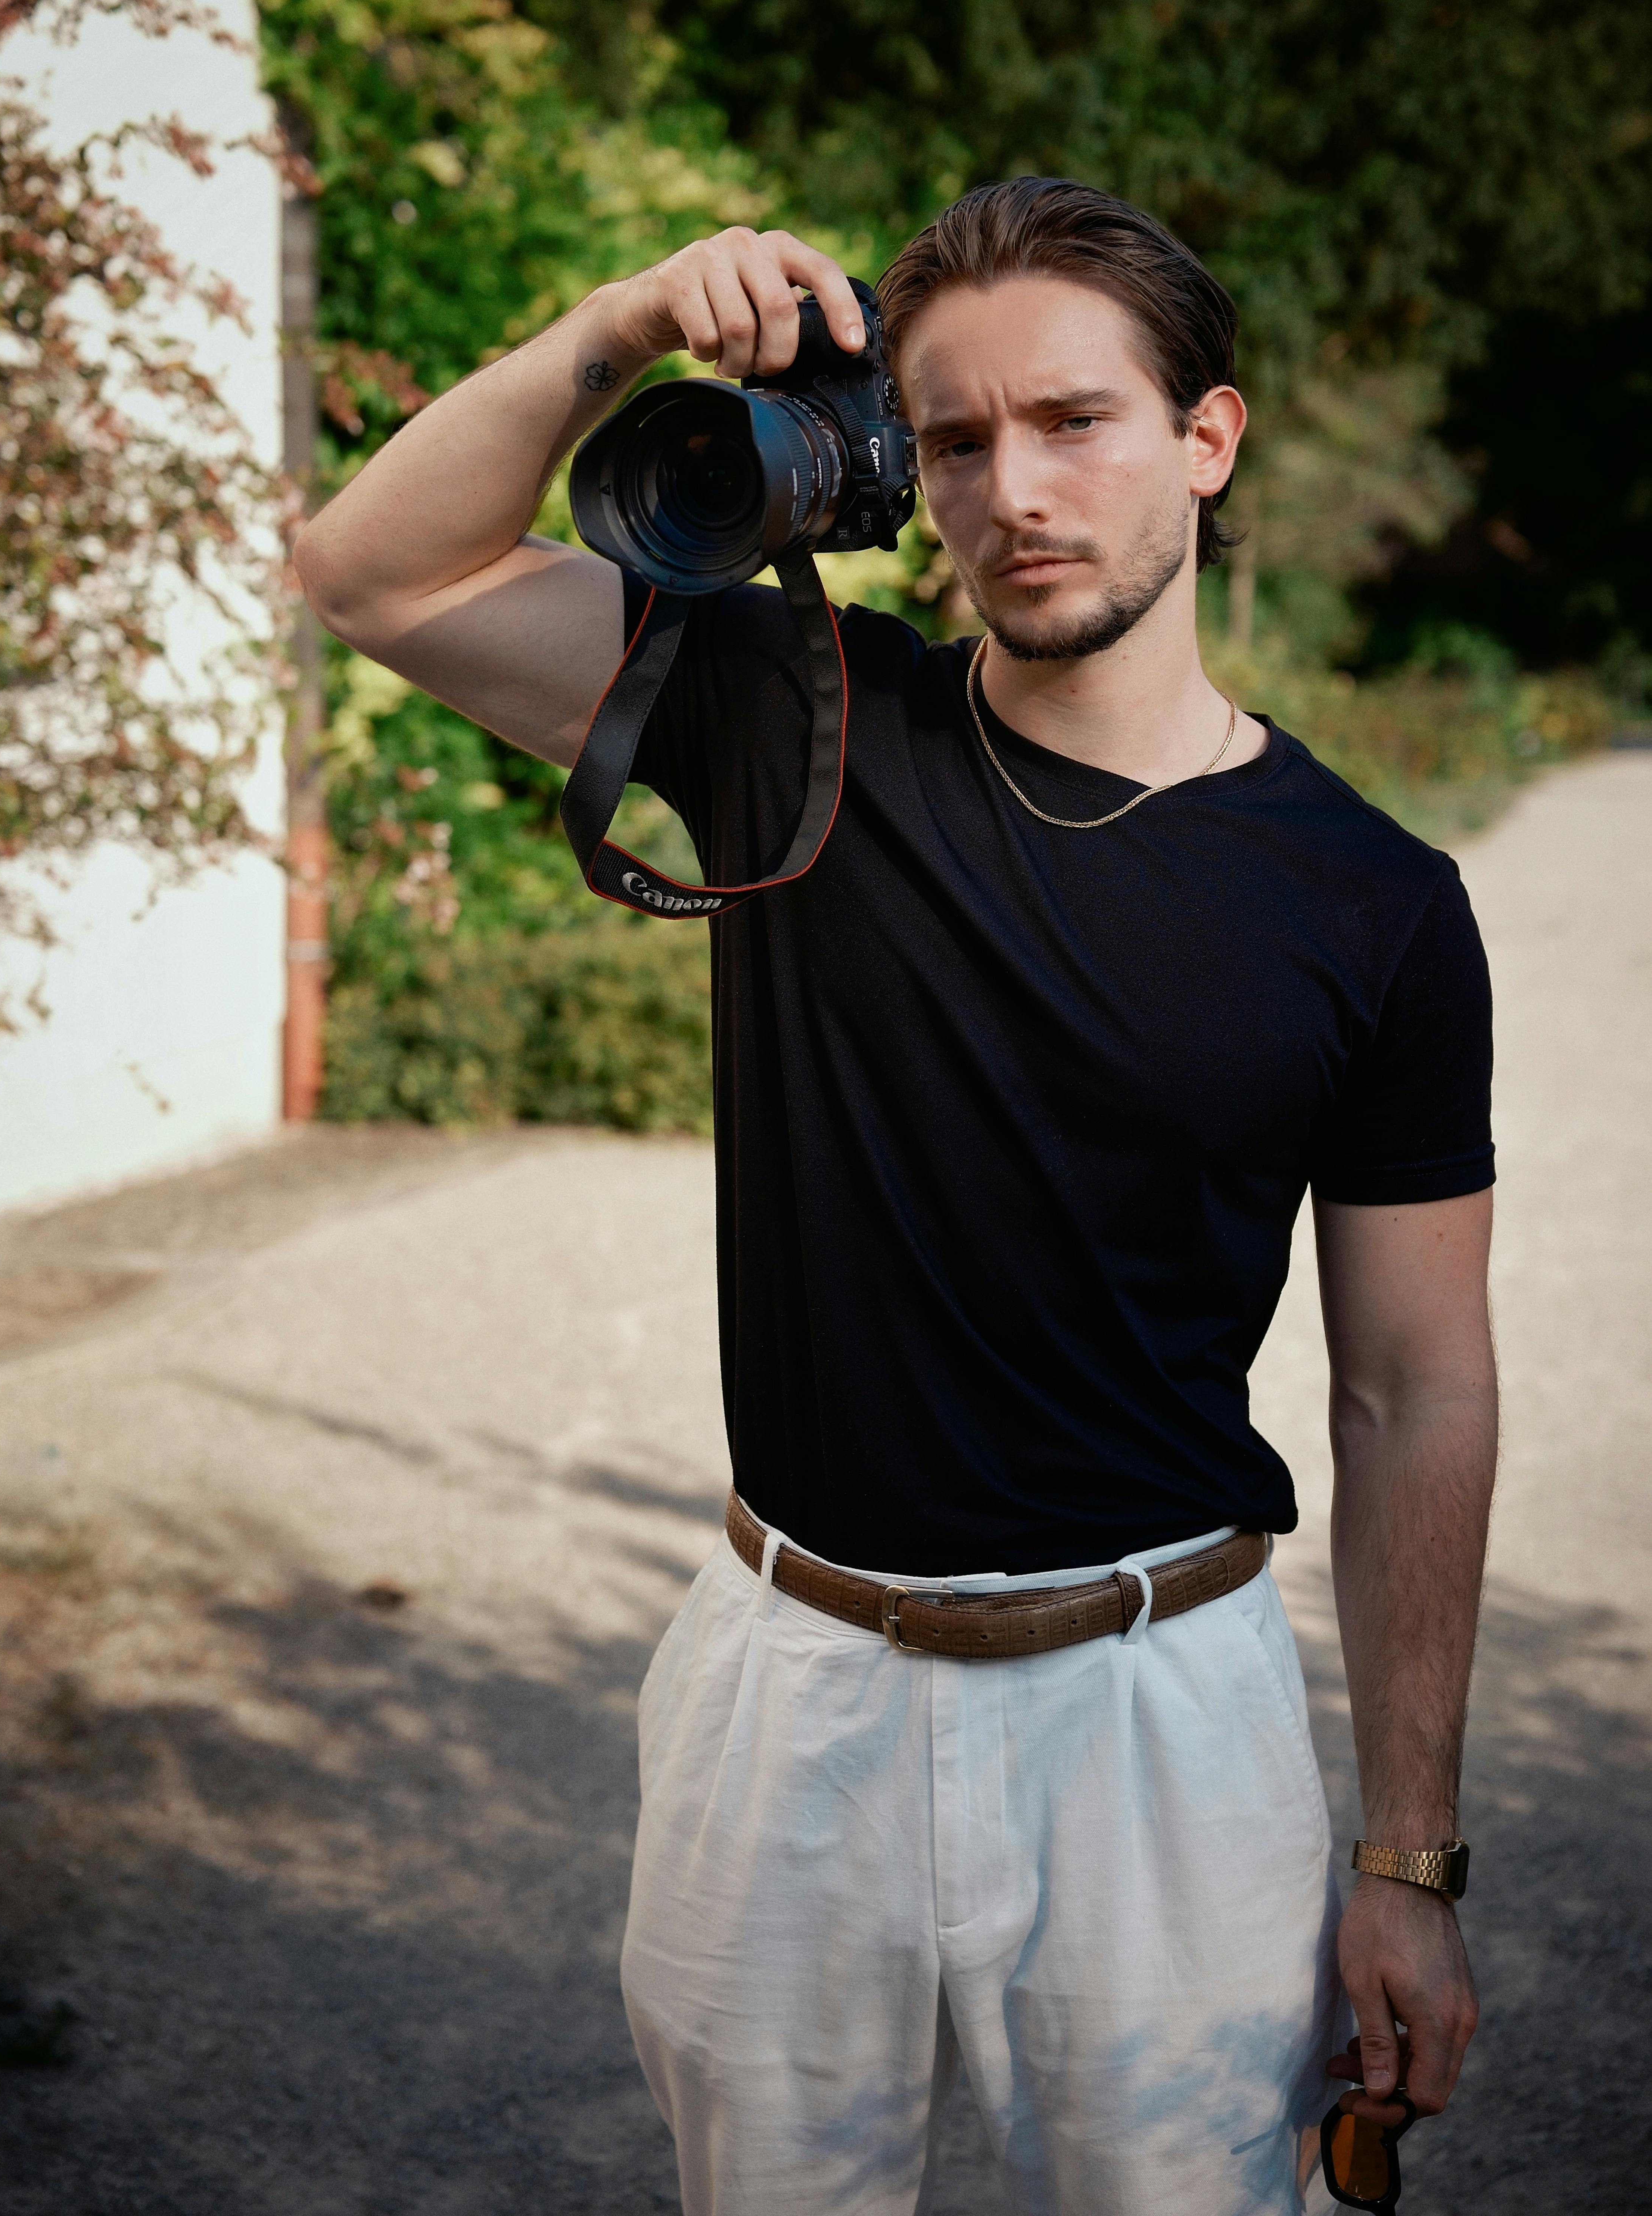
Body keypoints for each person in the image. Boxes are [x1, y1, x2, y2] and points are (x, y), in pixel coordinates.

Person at [295, 178, 1497, 2216]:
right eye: (955, 441)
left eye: (1074, 422)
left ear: (1204, 440)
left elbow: (1411, 1393)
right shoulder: (794, 712)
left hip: (1159, 1714)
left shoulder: (1373, 904)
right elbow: (369, 570)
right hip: (793, 1687)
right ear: (904, 475)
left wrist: (1404, 1862)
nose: (1014, 488)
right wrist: (622, 326)